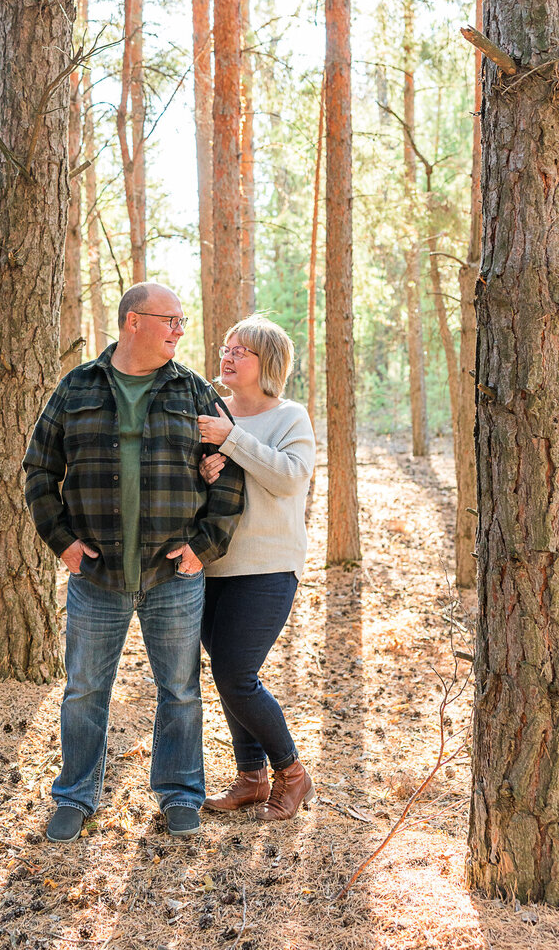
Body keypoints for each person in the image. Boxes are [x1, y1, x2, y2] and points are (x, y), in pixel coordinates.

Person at [23, 282, 245, 843]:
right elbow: (39, 471)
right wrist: (64, 544)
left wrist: (204, 546)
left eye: (181, 319)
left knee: (180, 689)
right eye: (169, 318)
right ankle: (76, 795)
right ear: (132, 323)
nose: (179, 329)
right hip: (95, 575)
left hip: (172, 575)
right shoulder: (76, 388)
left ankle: (179, 794)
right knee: (83, 692)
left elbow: (231, 472)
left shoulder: (193, 392)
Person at [196, 315, 316, 821]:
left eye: (240, 350)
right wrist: (204, 472)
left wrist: (231, 441)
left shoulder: (290, 417)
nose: (227, 356)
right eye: (225, 347)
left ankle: (292, 774)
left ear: (266, 363)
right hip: (212, 565)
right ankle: (250, 777)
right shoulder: (212, 413)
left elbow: (290, 479)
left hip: (267, 567)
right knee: (228, 676)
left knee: (235, 673)